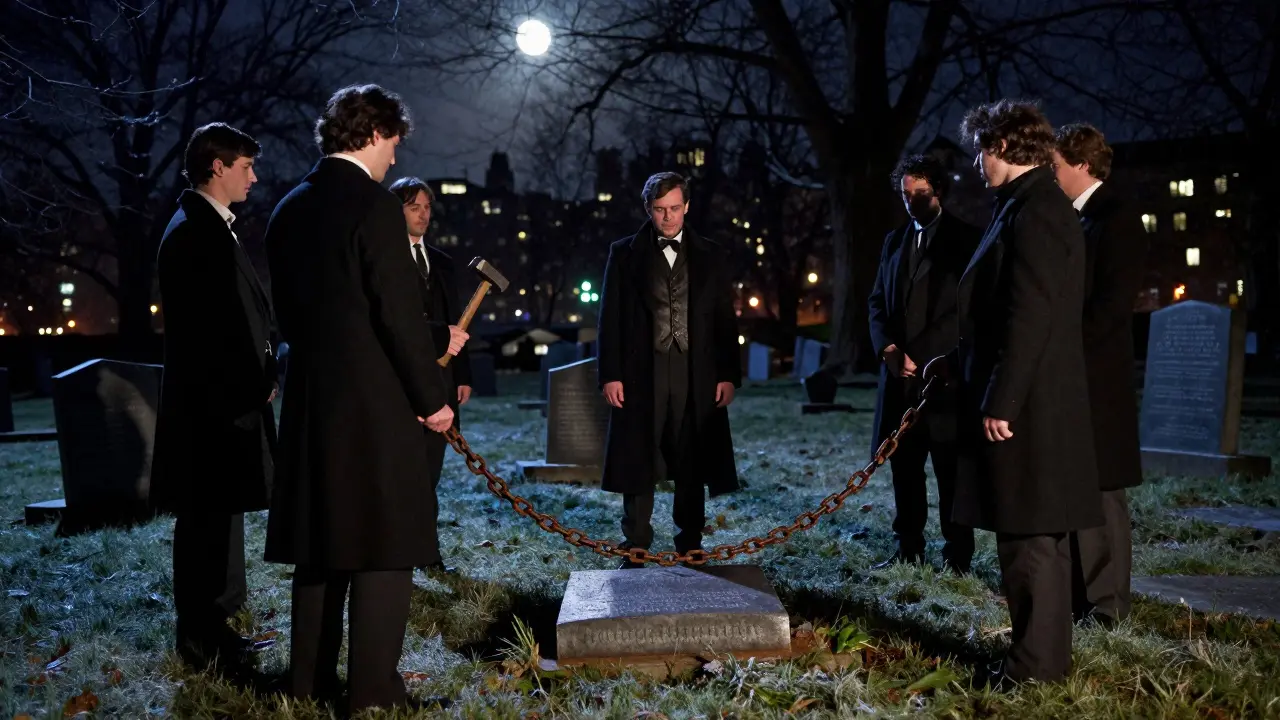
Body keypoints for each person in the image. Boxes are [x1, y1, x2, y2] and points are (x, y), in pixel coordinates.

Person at [263, 84, 461, 712]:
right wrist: (432, 397)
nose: (395, 158)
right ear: (373, 133)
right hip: (374, 406)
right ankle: (374, 691)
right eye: (393, 143)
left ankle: (307, 683)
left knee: (321, 547)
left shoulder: (288, 208)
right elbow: (396, 315)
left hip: (311, 402)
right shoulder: (375, 208)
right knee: (384, 546)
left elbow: (289, 314)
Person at [928, 99, 1102, 684]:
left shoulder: (1037, 212)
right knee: (1030, 538)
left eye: (980, 151)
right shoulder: (1024, 206)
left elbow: (1030, 315)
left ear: (1001, 146)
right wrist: (958, 365)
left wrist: (1002, 399)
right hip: (1028, 400)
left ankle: (1033, 668)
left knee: (1029, 540)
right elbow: (1000, 313)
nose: (977, 164)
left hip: (1029, 408)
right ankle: (1040, 660)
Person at [151, 122, 277, 671]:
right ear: (217, 166)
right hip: (214, 410)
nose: (254, 177)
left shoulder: (208, 226)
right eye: (246, 166)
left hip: (224, 404)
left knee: (219, 518)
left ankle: (215, 629)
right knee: (206, 521)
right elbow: (210, 330)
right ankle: (203, 637)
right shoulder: (194, 232)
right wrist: (253, 382)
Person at [597, 171, 742, 568]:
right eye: (660, 209)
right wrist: (610, 374)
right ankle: (636, 543)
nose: (668, 217)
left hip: (696, 371)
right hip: (641, 372)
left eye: (675, 208)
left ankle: (690, 541)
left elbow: (725, 320)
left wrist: (728, 374)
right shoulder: (623, 254)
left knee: (692, 454)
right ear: (648, 209)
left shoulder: (711, 254)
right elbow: (609, 317)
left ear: (687, 207)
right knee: (638, 455)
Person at [867, 154, 981, 574]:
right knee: (905, 466)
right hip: (900, 379)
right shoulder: (894, 241)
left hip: (944, 379)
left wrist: (929, 354)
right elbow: (877, 302)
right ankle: (908, 547)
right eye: (906, 194)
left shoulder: (967, 239)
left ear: (939, 192)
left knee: (950, 470)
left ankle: (957, 554)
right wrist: (888, 348)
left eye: (922, 194)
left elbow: (966, 311)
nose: (913, 202)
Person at [1053, 123, 1147, 627]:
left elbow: (1111, 305)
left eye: (1056, 166)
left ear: (1083, 165)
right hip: (1074, 373)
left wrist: (1064, 348)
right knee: (1077, 484)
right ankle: (1081, 595)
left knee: (1103, 489)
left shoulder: (1116, 218)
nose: (1050, 175)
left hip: (1098, 376)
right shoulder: (1076, 217)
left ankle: (1108, 603)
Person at [389, 175, 473, 573]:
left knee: (430, 474)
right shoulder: (386, 259)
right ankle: (398, 552)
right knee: (403, 474)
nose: (423, 215)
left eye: (427, 208)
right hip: (401, 383)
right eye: (414, 207)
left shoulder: (441, 262)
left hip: (441, 381)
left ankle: (427, 552)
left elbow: (457, 322)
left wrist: (463, 374)